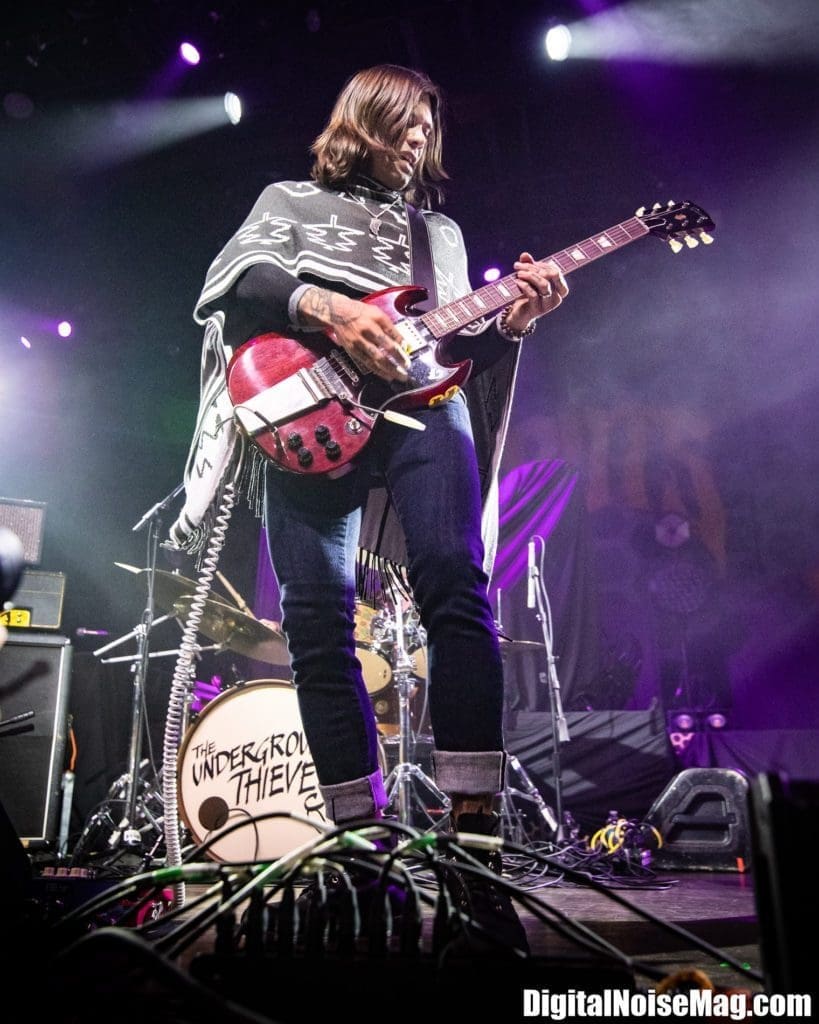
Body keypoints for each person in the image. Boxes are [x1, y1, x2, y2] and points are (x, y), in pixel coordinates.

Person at [170, 64, 568, 950]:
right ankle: (360, 854)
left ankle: (474, 853)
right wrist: (331, 310)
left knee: (456, 589)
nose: (421, 137)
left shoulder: (440, 235)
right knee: (317, 625)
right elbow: (239, 282)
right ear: (364, 122)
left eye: (429, 126)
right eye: (406, 122)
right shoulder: (290, 200)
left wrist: (512, 323)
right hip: (308, 414)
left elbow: (457, 349)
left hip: (425, 409)